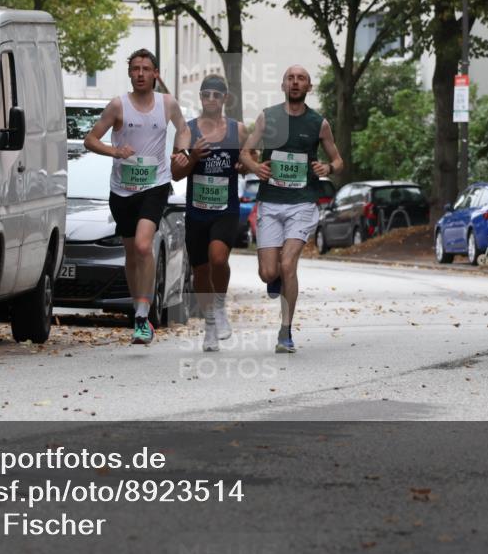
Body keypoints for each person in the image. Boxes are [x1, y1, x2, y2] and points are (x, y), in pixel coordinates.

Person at [84, 49, 191, 345]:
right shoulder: (118, 106)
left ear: (156, 74)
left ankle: (143, 316)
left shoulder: (167, 104)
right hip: (122, 189)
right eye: (135, 69)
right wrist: (115, 151)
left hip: (155, 185)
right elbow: (90, 139)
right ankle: (138, 307)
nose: (141, 74)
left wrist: (181, 152)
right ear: (129, 73)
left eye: (146, 69)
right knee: (131, 253)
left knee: (144, 245)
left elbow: (183, 130)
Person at [240, 65, 343, 354]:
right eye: (290, 78)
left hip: (302, 202)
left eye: (301, 79)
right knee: (267, 272)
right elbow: (245, 152)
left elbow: (338, 161)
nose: (295, 83)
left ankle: (285, 331)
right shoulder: (268, 117)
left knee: (288, 265)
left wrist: (328, 167)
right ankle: (274, 280)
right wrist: (255, 167)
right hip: (271, 202)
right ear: (283, 85)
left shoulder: (318, 123)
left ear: (309, 87)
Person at [171, 75, 248, 352]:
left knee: (218, 257)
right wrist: (192, 157)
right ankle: (211, 324)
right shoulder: (187, 131)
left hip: (225, 209)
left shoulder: (238, 131)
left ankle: (219, 305)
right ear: (201, 98)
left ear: (225, 98)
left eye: (217, 95)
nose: (212, 99)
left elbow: (251, 161)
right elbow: (175, 173)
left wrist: (244, 166)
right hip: (197, 211)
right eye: (207, 94)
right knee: (200, 271)